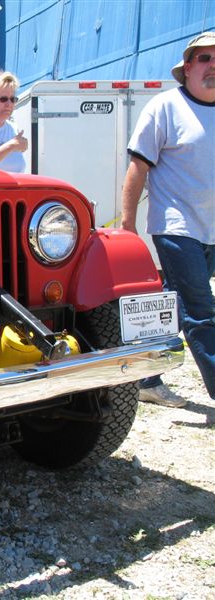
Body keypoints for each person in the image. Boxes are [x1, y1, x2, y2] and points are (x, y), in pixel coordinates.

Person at [120, 30, 215, 408]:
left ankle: (142, 375)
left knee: (171, 302)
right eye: (205, 59)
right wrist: (127, 225)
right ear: (188, 66)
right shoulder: (165, 107)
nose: (212, 66)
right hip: (176, 225)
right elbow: (137, 166)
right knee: (201, 310)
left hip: (211, 230)